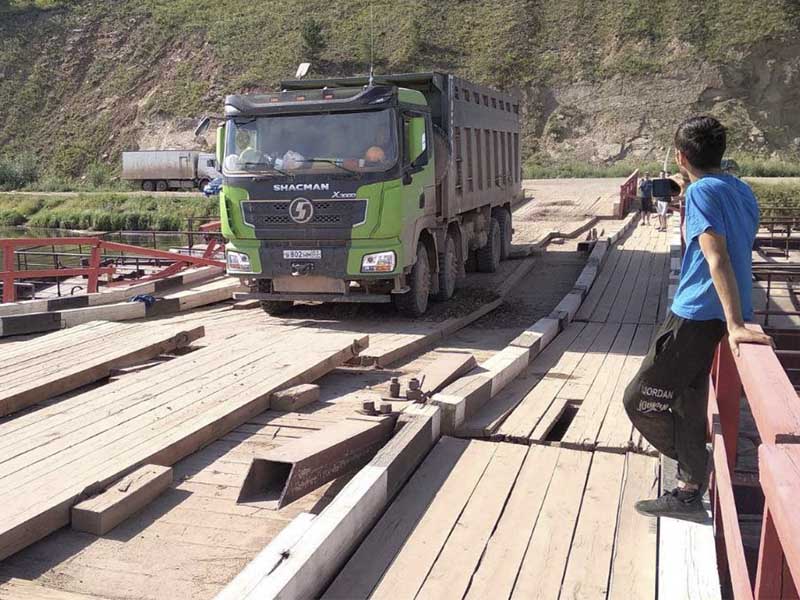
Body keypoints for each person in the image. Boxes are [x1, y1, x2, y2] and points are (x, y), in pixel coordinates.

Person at [623, 116, 772, 522]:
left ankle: (695, 463)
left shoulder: (703, 193)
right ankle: (688, 490)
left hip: (695, 316)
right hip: (722, 314)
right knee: (689, 401)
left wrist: (736, 325)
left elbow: (716, 256)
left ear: (681, 156)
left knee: (640, 400)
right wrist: (737, 318)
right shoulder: (739, 189)